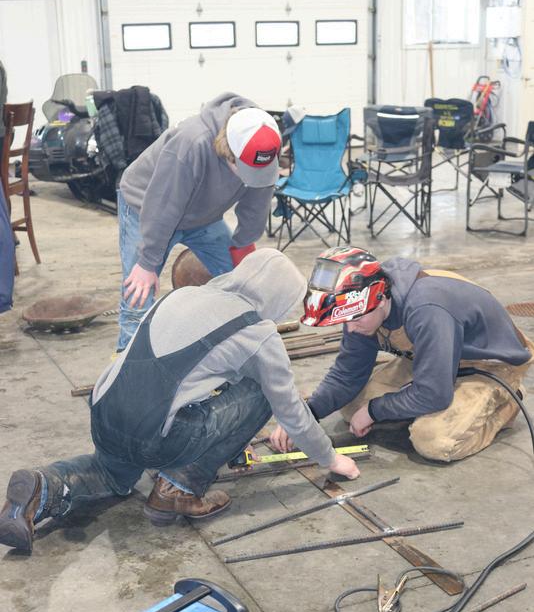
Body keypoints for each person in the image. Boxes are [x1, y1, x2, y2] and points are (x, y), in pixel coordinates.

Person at [0, 249, 359, 554]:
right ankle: (180, 487)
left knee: (111, 474)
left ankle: (42, 486)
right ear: (279, 298)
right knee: (265, 391)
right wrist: (330, 458)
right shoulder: (258, 333)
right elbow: (291, 411)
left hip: (105, 413)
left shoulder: (183, 295)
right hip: (156, 436)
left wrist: (229, 431)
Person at [271, 246, 534, 463]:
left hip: (490, 363)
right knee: (351, 407)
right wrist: (304, 417)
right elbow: (346, 375)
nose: (350, 329)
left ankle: (506, 403)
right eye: (345, 321)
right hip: (431, 356)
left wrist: (375, 411)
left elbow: (433, 393)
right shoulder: (361, 309)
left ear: (380, 298)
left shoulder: (427, 308)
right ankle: (431, 405)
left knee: (433, 441)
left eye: (355, 319)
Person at [117, 91, 282, 351]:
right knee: (138, 293)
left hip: (204, 216)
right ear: (226, 150)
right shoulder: (191, 143)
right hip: (147, 206)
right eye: (244, 170)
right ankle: (127, 364)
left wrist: (243, 246)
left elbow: (257, 202)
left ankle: (234, 351)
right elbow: (163, 205)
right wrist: (147, 262)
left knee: (241, 284)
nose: (248, 178)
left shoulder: (263, 142)